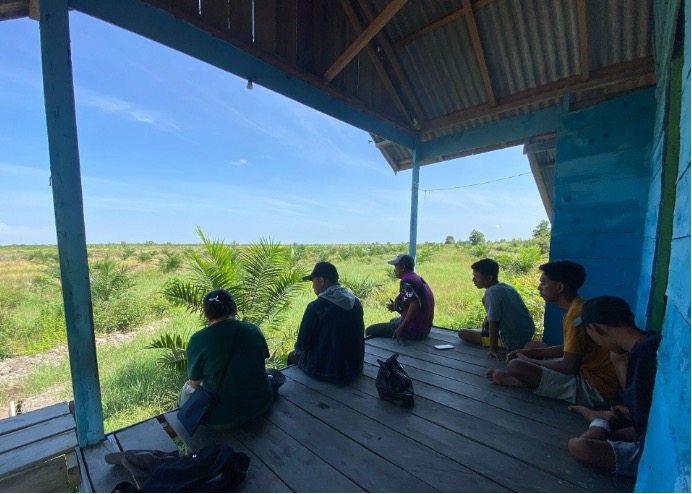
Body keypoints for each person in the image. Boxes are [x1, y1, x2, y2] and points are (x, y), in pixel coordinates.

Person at [486, 261, 620, 407]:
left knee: (515, 366)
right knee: (532, 345)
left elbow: (569, 366)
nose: (539, 287)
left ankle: (522, 381)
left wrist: (529, 360)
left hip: (595, 389)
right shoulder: (579, 306)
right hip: (584, 369)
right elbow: (571, 349)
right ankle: (529, 378)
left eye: (543, 283)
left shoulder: (574, 316)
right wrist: (527, 352)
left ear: (560, 287)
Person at [566, 296, 661, 477]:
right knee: (615, 432)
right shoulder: (652, 341)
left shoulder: (643, 355)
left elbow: (640, 426)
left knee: (579, 446)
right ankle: (602, 421)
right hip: (646, 428)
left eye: (590, 333)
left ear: (596, 329)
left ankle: (600, 421)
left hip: (656, 448)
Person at [179, 289, 274, 429]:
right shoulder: (253, 329)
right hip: (261, 403)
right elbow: (263, 358)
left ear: (207, 316)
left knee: (184, 395)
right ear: (235, 309)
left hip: (222, 418)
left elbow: (195, 382)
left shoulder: (198, 339)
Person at [287, 261, 364, 383]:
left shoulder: (315, 307)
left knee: (292, 356)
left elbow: (302, 345)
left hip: (327, 371)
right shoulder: (355, 301)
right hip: (356, 367)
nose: (313, 287)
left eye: (313, 282)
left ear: (321, 281)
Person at [458, 258, 535, 359]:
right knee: (482, 328)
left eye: (476, 277)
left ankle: (499, 343)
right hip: (525, 335)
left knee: (463, 333)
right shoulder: (507, 287)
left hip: (511, 341)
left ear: (489, 278)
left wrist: (493, 350)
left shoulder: (491, 293)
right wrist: (487, 318)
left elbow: (494, 323)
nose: (473, 280)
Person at [365, 254, 435, 341]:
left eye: (396, 267)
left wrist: (400, 328)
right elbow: (416, 305)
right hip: (425, 329)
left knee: (370, 330)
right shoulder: (416, 278)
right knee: (393, 320)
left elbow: (415, 305)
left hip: (413, 331)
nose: (394, 270)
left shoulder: (406, 281)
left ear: (402, 267)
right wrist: (396, 308)